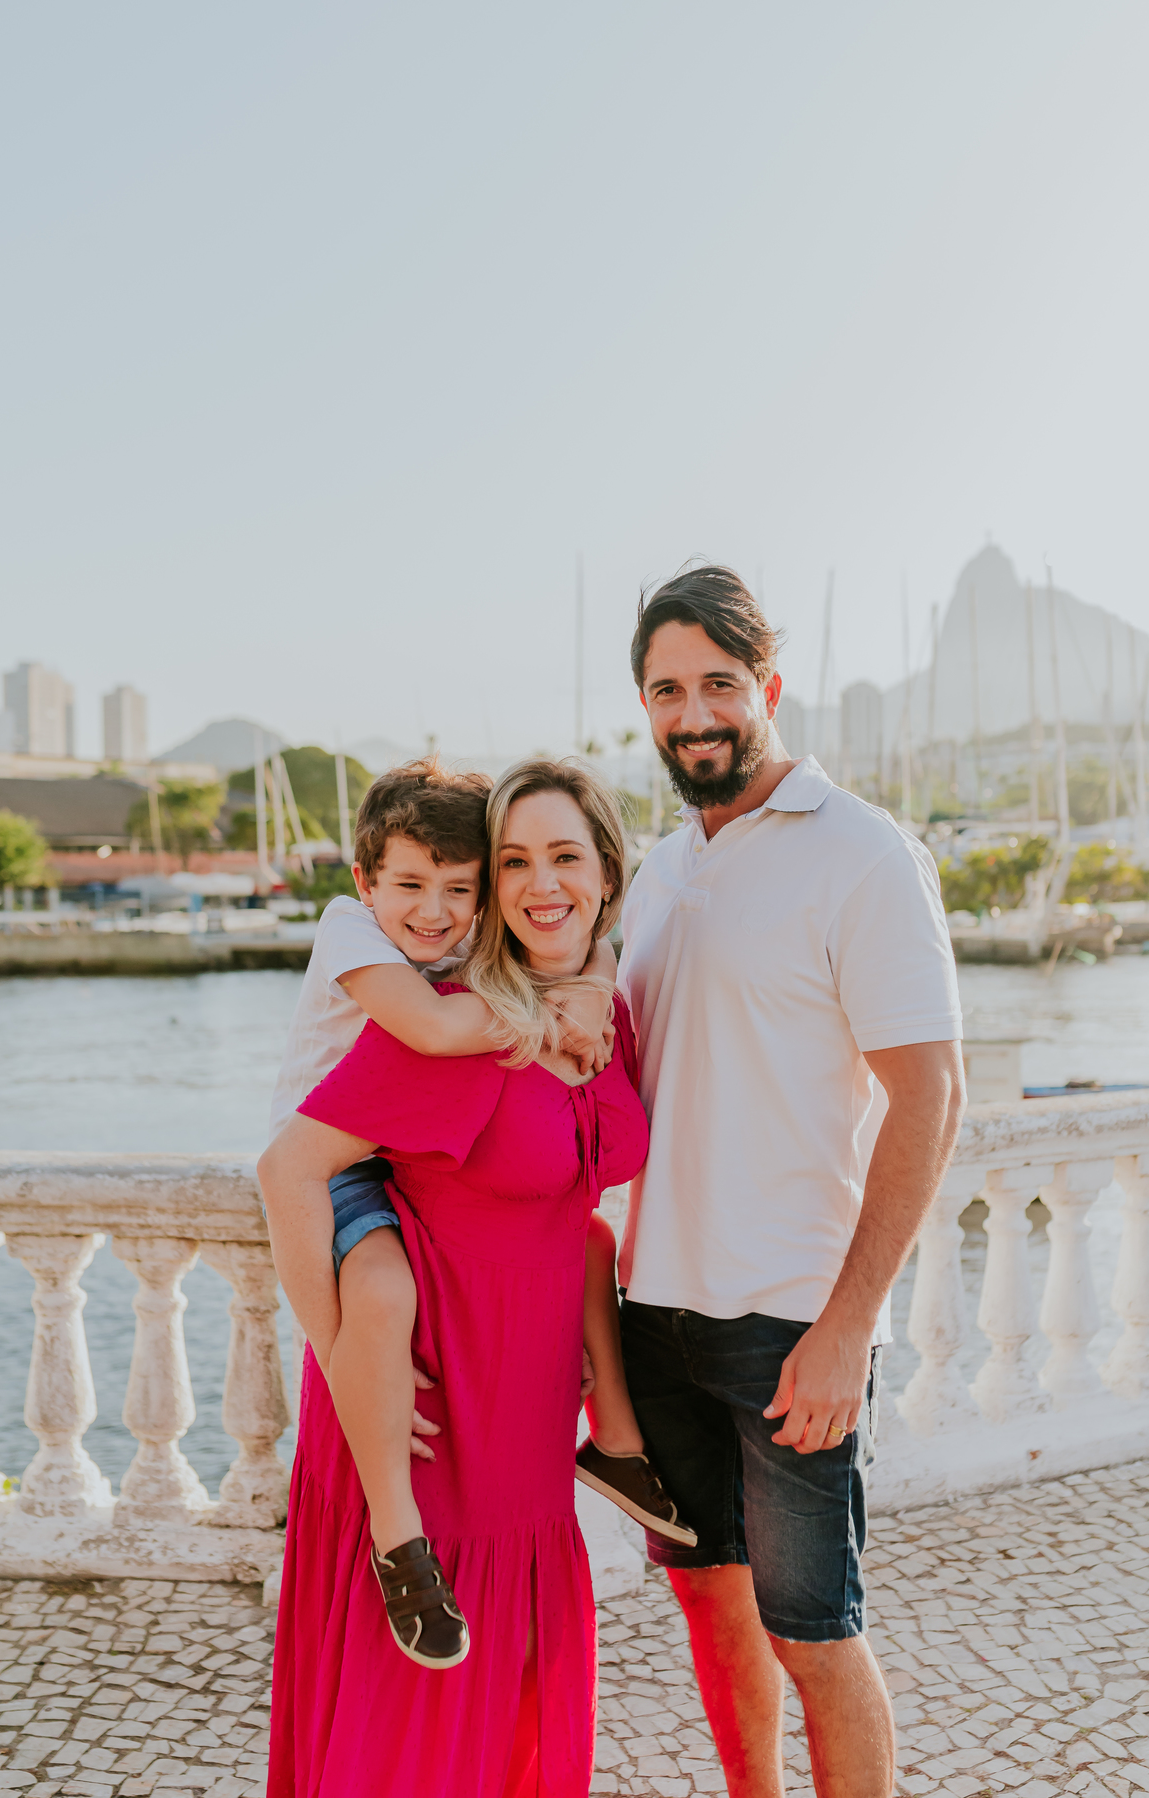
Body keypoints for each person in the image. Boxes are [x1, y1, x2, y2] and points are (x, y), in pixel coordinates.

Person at [260, 759, 683, 1797]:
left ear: (606, 874)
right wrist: (341, 1347)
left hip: (530, 1417)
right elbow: (289, 1170)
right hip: (427, 1407)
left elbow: (583, 1202)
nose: (540, 883)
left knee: (517, 1724)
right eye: (513, 862)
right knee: (415, 1740)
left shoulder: (602, 1011)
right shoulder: (452, 1029)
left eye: (565, 857)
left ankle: (617, 1448)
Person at [615, 567, 967, 1798]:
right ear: (644, 707)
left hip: (788, 1323)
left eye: (719, 682)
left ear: (767, 685)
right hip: (651, 1315)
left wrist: (850, 1325)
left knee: (813, 1632)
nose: (693, 711)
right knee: (711, 1609)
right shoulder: (656, 873)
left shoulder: (862, 853)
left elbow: (930, 1095)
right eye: (668, 689)